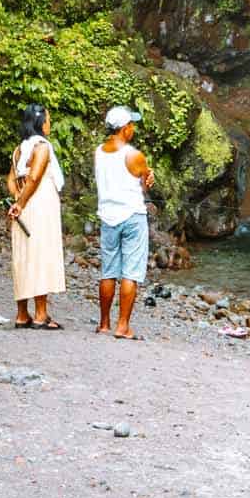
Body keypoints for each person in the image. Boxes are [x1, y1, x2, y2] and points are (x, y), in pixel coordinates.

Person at [94, 106, 154, 340]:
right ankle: (123, 326)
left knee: (108, 272)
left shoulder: (99, 151)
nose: (134, 128)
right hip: (132, 217)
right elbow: (144, 181)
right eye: (132, 124)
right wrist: (149, 176)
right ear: (125, 128)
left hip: (108, 217)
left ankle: (104, 324)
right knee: (130, 272)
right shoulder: (133, 155)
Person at [7, 105, 64, 330]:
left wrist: (17, 198)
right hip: (40, 205)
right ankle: (41, 314)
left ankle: (22, 314)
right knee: (40, 255)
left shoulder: (18, 150)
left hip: (23, 204)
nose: (49, 124)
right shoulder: (41, 148)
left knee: (23, 255)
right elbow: (35, 177)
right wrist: (21, 203)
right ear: (40, 123)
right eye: (48, 120)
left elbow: (11, 179)